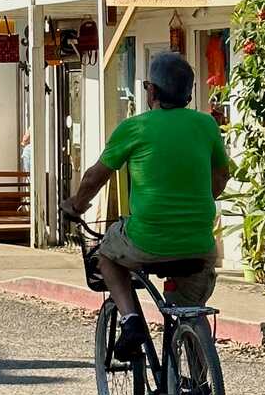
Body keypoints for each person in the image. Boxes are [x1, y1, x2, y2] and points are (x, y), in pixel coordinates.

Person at [60, 52, 230, 359]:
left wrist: (77, 204)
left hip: (147, 240)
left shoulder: (135, 128)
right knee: (190, 311)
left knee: (107, 255)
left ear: (151, 91)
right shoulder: (206, 125)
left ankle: (131, 319)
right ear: (188, 94)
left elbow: (95, 176)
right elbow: (221, 175)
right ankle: (199, 389)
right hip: (199, 242)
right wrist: (201, 198)